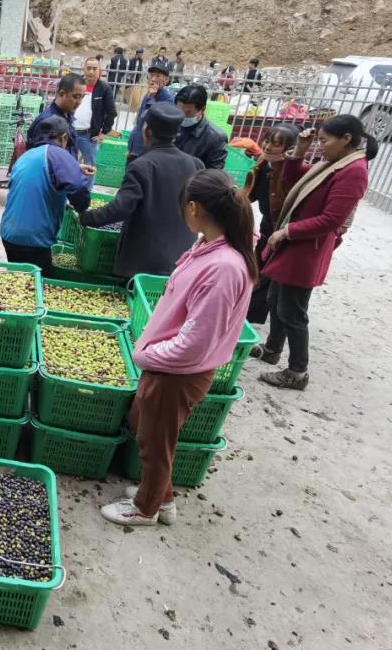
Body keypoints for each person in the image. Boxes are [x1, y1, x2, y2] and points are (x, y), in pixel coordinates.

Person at [101, 169, 257, 526]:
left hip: (177, 372)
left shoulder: (224, 268)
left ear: (193, 207)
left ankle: (146, 509)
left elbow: (195, 343)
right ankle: (162, 497)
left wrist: (145, 355)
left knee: (156, 444)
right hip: (168, 365)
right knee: (147, 430)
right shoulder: (211, 246)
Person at [255, 115, 375, 391]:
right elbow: (293, 177)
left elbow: (332, 219)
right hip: (296, 244)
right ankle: (272, 349)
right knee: (275, 298)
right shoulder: (332, 162)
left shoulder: (353, 170)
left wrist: (287, 231)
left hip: (307, 248)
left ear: (346, 139)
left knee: (293, 311)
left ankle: (297, 372)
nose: (320, 146)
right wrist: (300, 150)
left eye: (324, 140)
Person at [80, 103, 204, 277]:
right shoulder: (196, 165)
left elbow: (121, 208)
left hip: (144, 263)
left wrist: (86, 217)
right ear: (176, 134)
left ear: (147, 131)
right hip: (181, 261)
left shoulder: (141, 166)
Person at [0, 116, 95, 277]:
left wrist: (74, 169)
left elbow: (37, 185)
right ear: (64, 138)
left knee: (18, 281)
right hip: (32, 239)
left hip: (9, 234)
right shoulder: (58, 154)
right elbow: (80, 189)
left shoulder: (27, 156)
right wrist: (82, 208)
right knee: (38, 285)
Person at [242, 124, 305, 323]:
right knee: (257, 264)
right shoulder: (263, 162)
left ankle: (251, 315)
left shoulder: (292, 171)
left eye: (276, 144)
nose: (268, 147)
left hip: (282, 228)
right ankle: (250, 311)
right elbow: (252, 192)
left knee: (268, 272)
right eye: (267, 141)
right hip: (267, 222)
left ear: (289, 149)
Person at [26, 74, 88, 158]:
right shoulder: (48, 122)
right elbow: (46, 160)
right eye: (76, 97)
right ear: (62, 94)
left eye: (82, 97)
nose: (79, 102)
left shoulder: (67, 115)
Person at [125, 61, 176, 161]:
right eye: (151, 75)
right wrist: (131, 146)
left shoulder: (167, 99)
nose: (153, 79)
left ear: (166, 80)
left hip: (147, 150)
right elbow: (139, 120)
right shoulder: (149, 94)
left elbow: (154, 121)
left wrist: (151, 98)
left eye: (158, 76)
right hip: (135, 147)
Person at [74, 58, 118, 166]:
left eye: (94, 69)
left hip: (88, 136)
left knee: (90, 166)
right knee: (67, 164)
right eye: (88, 68)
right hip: (70, 133)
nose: (91, 72)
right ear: (84, 69)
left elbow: (111, 112)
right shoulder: (75, 84)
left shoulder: (104, 88)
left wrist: (104, 132)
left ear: (100, 71)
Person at [174, 84, 228, 170]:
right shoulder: (170, 122)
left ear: (202, 109)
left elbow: (213, 173)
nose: (182, 116)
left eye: (188, 113)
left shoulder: (216, 137)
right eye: (179, 111)